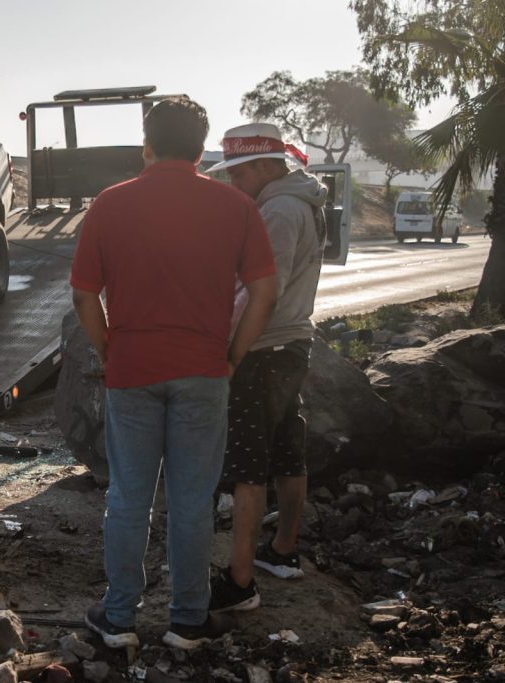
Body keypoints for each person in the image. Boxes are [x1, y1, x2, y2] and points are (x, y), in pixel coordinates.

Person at [70, 97, 278, 651]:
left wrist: (110, 349)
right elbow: (265, 292)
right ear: (201, 147)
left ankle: (117, 619)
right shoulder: (234, 207)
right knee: (192, 498)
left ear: (148, 144)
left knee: (128, 496)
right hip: (204, 371)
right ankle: (188, 620)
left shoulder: (111, 204)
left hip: (132, 370)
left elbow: (84, 295)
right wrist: (233, 354)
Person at [203, 123, 328, 613]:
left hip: (264, 348)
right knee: (287, 452)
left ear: (261, 166)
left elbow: (260, 294)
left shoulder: (277, 211)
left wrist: (227, 349)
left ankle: (240, 582)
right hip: (294, 343)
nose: (235, 184)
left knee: (248, 468)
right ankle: (283, 551)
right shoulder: (304, 201)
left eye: (238, 174)